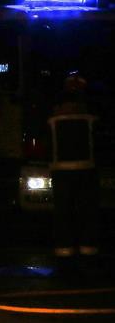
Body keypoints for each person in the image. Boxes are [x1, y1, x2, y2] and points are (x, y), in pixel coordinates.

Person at [48, 71, 99, 264]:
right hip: (86, 169)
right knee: (87, 211)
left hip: (61, 170)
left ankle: (64, 251)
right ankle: (88, 251)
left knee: (63, 212)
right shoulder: (90, 111)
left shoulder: (54, 113)